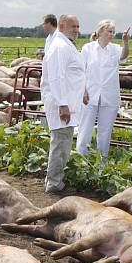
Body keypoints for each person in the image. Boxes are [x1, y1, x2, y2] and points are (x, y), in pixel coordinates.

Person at [41, 14, 85, 194]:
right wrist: (62, 104)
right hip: (62, 103)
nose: (76, 30)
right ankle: (54, 183)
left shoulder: (65, 45)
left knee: (63, 143)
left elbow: (73, 74)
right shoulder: (60, 47)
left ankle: (54, 180)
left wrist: (84, 91)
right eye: (73, 26)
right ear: (62, 25)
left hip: (68, 102)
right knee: (60, 143)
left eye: (77, 26)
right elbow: (57, 77)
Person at [77, 19, 130, 162]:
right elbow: (81, 71)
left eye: (113, 32)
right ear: (100, 31)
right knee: (85, 130)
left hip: (109, 95)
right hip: (90, 94)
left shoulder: (115, 49)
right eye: (109, 31)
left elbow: (124, 56)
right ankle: (81, 161)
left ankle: (102, 164)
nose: (112, 34)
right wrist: (83, 91)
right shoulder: (88, 48)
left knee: (105, 132)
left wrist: (125, 42)